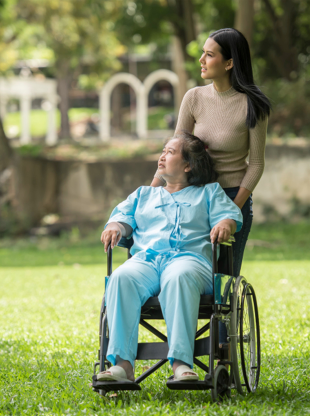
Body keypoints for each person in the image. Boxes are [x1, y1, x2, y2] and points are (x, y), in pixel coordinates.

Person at [96, 132, 243, 383]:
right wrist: (115, 227)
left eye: (170, 152)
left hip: (190, 261)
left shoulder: (208, 192)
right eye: (163, 150)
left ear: (188, 165)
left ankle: (182, 364)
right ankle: (122, 365)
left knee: (178, 277)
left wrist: (225, 225)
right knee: (121, 277)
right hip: (147, 261)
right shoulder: (144, 194)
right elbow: (121, 218)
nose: (162, 156)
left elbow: (228, 216)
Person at [151, 28, 271, 276]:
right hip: (192, 196)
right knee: (184, 270)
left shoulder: (253, 105)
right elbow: (175, 150)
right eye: (202, 53)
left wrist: (232, 211)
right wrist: (153, 192)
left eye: (209, 54)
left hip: (230, 196)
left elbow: (256, 164)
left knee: (222, 280)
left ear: (229, 63)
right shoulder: (194, 97)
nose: (201, 60)